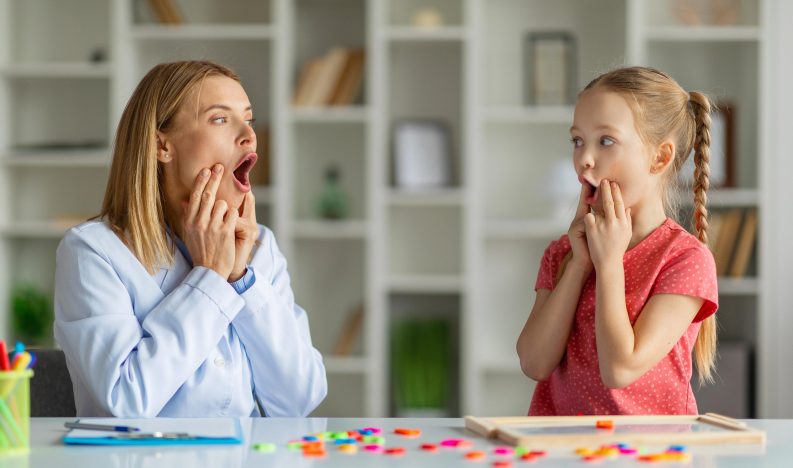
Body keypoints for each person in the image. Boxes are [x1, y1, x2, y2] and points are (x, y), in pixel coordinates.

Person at [54, 61, 327, 417]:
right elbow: (126, 403)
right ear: (161, 146)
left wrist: (240, 278)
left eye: (249, 119)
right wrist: (211, 277)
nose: (248, 135)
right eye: (220, 118)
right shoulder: (92, 252)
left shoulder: (259, 250)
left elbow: (300, 399)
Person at [516, 67, 718, 415]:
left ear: (660, 157)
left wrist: (608, 264)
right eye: (577, 140)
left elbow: (620, 369)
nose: (584, 159)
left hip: (650, 452)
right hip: (562, 450)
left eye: (605, 141)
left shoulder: (685, 259)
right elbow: (534, 363)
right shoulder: (563, 253)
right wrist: (580, 265)